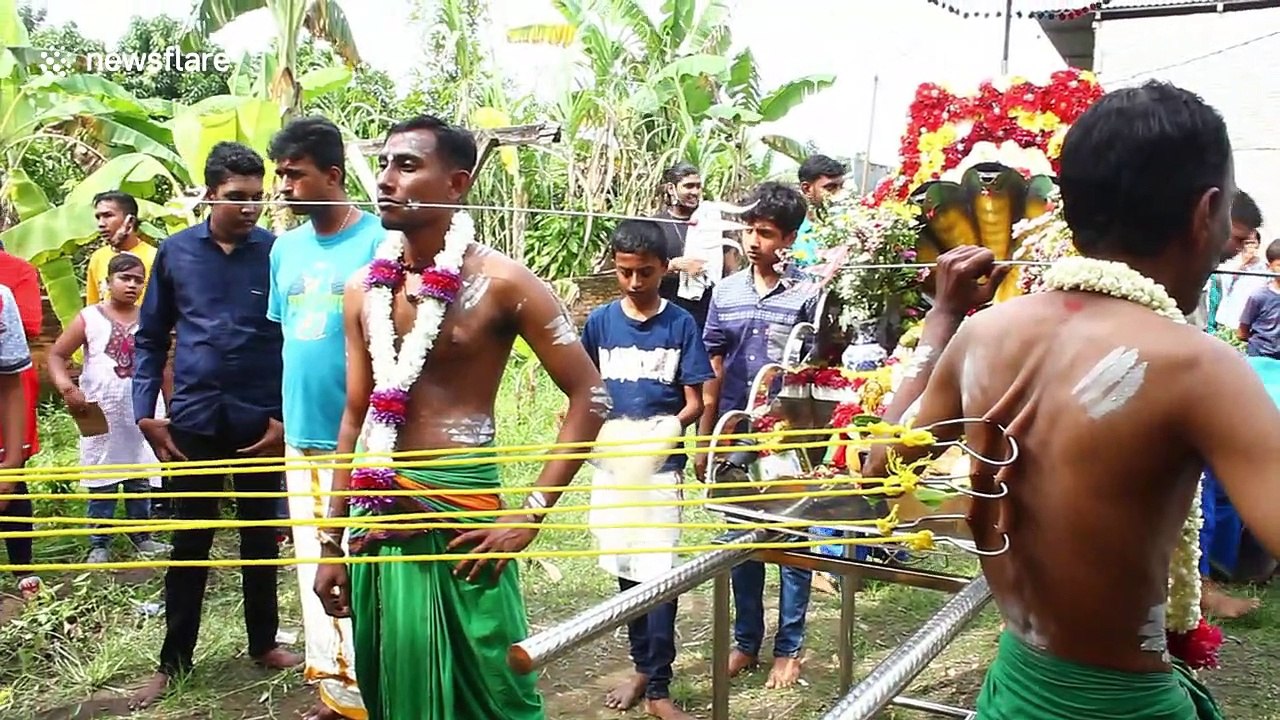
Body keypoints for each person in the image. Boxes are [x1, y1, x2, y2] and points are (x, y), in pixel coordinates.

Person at [867, 81, 1280, 718]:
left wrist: (944, 319)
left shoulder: (982, 334)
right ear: (1208, 213)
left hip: (1012, 691)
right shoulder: (1197, 365)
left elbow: (879, 468)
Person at [311, 114, 607, 720]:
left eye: (408, 165)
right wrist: (331, 542)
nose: (387, 179)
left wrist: (530, 516)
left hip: (465, 515)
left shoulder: (503, 283)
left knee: (495, 684)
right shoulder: (362, 288)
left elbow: (590, 397)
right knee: (392, 676)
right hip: (378, 513)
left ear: (457, 184)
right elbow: (354, 414)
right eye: (386, 164)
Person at [131, 141, 301, 708]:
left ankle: (262, 643)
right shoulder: (176, 254)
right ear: (210, 194)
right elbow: (151, 338)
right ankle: (172, 661)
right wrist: (145, 415)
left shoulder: (277, 253)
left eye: (257, 197)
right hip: (194, 419)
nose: (249, 207)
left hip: (261, 420)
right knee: (191, 537)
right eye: (237, 198)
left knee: (262, 534)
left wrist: (283, 417)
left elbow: (291, 340)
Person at [265, 116, 384, 720]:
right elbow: (286, 341)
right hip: (302, 433)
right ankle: (337, 693)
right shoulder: (283, 250)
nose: (283, 186)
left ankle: (383, 686)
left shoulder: (379, 242)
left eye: (295, 174)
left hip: (366, 438)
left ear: (332, 175)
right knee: (317, 564)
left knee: (363, 562)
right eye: (280, 174)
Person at [580, 220, 714, 720]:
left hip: (660, 471)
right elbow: (585, 393)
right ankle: (641, 666)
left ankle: (659, 688)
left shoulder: (680, 324)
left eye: (646, 274)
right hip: (612, 469)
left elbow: (695, 402)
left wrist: (662, 433)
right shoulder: (599, 323)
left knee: (658, 575)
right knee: (626, 572)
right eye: (625, 272)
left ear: (665, 270)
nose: (635, 283)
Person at [695, 181, 818, 689]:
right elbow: (713, 364)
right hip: (734, 429)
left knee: (792, 540)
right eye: (748, 229)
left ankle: (790, 648)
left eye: (764, 233)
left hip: (790, 437)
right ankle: (747, 641)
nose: (752, 241)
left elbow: (820, 365)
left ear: (788, 238)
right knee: (741, 539)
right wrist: (708, 436)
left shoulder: (810, 293)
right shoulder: (724, 291)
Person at [47, 253, 172, 564]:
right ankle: (99, 542)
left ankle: (142, 536)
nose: (132, 285)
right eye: (125, 278)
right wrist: (68, 388)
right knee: (102, 473)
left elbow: (164, 366)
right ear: (107, 282)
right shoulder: (89, 318)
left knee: (139, 471)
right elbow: (56, 355)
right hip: (101, 410)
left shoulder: (149, 320)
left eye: (138, 280)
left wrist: (171, 407)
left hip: (141, 408)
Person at [651, 163, 737, 327]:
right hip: (667, 316)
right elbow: (643, 269)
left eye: (698, 187)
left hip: (707, 315)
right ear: (671, 188)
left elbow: (730, 270)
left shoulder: (713, 223)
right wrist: (673, 265)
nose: (695, 192)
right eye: (689, 186)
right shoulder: (656, 225)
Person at [0, 283, 39, 599]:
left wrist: (12, 463)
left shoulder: (1, 299)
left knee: (13, 501)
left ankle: (24, 571)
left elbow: (11, 384)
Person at [86, 190, 157, 307]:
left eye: (108, 215)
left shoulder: (154, 258)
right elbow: (93, 307)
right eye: (98, 217)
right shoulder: (98, 258)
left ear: (130, 221)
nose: (101, 224)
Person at [792, 154, 847, 267]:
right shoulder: (791, 231)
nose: (839, 193)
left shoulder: (850, 227)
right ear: (806, 189)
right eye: (830, 188)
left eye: (841, 186)